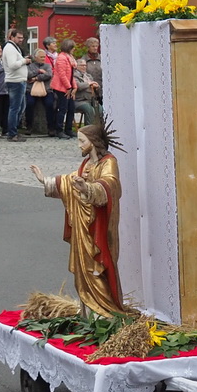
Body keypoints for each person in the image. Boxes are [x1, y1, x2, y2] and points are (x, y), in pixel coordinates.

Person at [30, 121, 129, 316]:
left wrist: (88, 189)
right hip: (83, 227)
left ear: (92, 142)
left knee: (97, 268)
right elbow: (69, 181)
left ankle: (105, 313)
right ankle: (89, 314)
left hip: (98, 227)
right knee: (83, 273)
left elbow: (110, 186)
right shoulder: (86, 164)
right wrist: (46, 180)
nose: (79, 145)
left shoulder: (108, 162)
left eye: (82, 141)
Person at [1, 29, 29, 138]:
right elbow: (12, 65)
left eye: (22, 38)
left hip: (19, 80)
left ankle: (14, 131)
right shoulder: (9, 48)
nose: (21, 40)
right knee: (15, 108)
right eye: (18, 37)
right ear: (11, 37)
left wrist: (23, 60)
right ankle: (12, 133)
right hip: (15, 81)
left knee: (20, 108)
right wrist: (24, 61)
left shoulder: (14, 47)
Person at [48, 37, 76, 138]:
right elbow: (62, 75)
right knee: (63, 108)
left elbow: (71, 74)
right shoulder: (61, 58)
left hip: (68, 86)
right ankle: (59, 130)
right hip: (61, 87)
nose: (74, 50)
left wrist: (74, 87)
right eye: (72, 47)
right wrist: (69, 87)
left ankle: (68, 129)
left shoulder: (69, 57)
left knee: (71, 108)